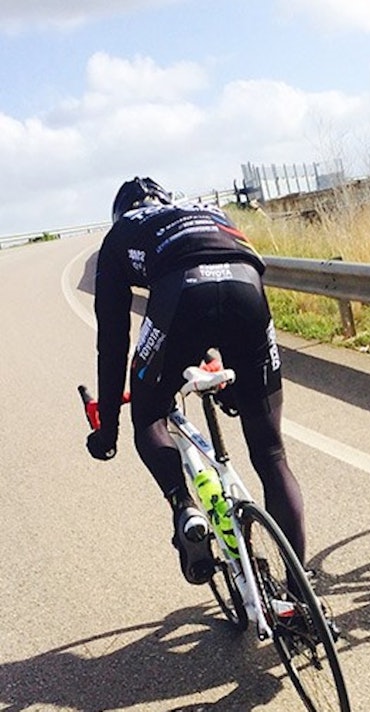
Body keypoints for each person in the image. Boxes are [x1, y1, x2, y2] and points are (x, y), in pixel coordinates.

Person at [87, 177, 306, 587]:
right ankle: (300, 604)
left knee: (149, 416)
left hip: (180, 294)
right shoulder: (205, 211)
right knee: (272, 455)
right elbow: (217, 291)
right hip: (246, 286)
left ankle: (183, 504)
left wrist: (109, 430)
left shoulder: (120, 236)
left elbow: (112, 341)